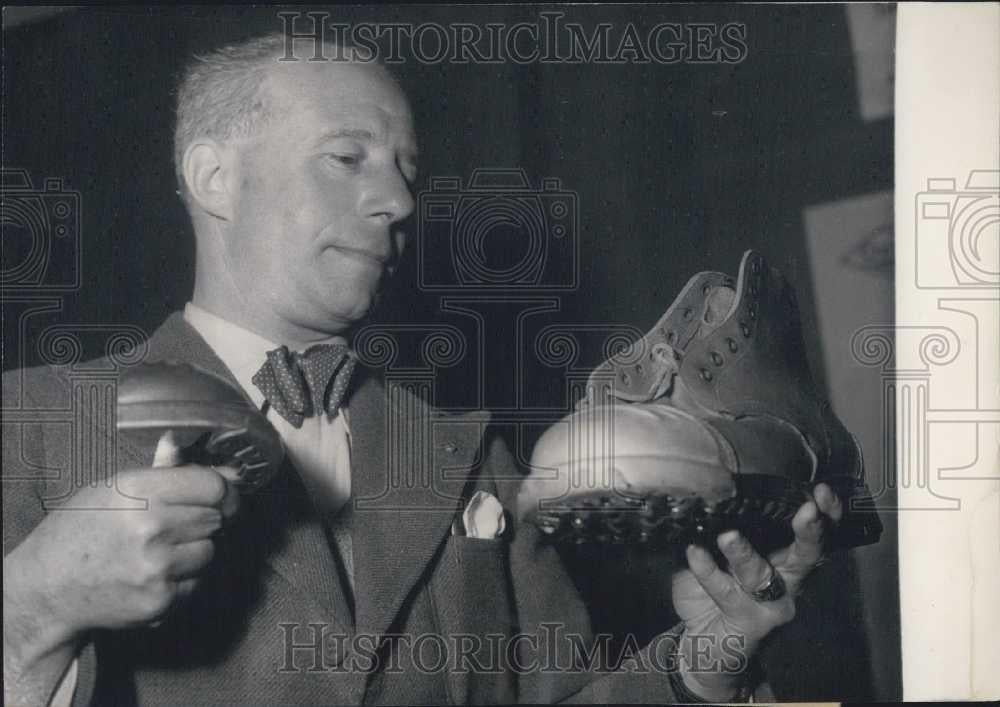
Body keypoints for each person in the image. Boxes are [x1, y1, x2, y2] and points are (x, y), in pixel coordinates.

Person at [2, 32, 843, 706]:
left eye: (408, 169)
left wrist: (699, 666)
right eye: (348, 157)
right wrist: (31, 608)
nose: (399, 201)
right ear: (214, 177)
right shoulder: (30, 425)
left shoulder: (474, 458)